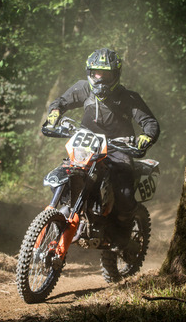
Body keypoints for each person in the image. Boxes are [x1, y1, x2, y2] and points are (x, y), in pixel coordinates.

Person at [45, 48, 160, 249]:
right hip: (87, 144)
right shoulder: (83, 88)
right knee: (63, 175)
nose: (100, 78)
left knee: (124, 194)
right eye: (97, 73)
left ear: (116, 74)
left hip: (119, 147)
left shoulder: (128, 97)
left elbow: (149, 122)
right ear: (90, 73)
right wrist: (54, 113)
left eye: (106, 74)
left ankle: (123, 237)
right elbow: (61, 102)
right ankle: (69, 213)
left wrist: (146, 136)